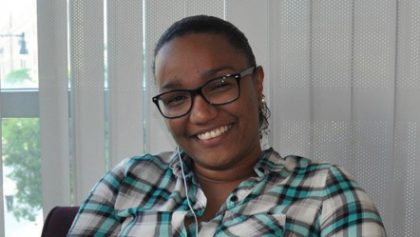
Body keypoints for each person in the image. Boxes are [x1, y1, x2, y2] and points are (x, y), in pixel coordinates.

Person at [68, 15, 386, 236]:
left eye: (220, 84)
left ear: (257, 83)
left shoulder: (325, 191)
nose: (202, 114)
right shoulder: (129, 180)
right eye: (177, 97)